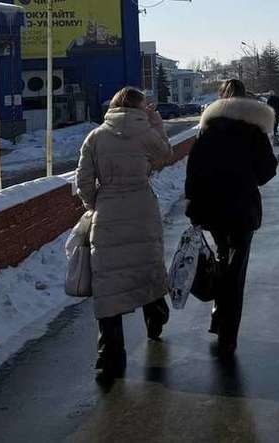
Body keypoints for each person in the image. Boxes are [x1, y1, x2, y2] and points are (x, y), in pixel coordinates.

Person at [76, 86, 173, 382]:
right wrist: (156, 123)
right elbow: (165, 156)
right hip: (142, 209)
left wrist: (95, 204)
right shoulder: (145, 134)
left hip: (107, 214)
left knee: (108, 283)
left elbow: (83, 181)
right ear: (139, 108)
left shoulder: (96, 136)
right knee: (146, 266)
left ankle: (110, 356)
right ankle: (155, 317)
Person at [185, 79, 278, 358]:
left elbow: (193, 170)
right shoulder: (253, 129)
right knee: (236, 270)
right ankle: (227, 334)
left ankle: (218, 315)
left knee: (222, 256)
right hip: (242, 209)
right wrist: (248, 178)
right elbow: (267, 169)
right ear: (245, 97)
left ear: (220, 98)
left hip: (212, 208)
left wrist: (193, 205)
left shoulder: (208, 129)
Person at [265, 90, 279, 158]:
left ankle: (274, 129)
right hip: (277, 111)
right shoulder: (277, 98)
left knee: (273, 121)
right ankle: (275, 129)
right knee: (277, 121)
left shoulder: (269, 99)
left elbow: (267, 105)